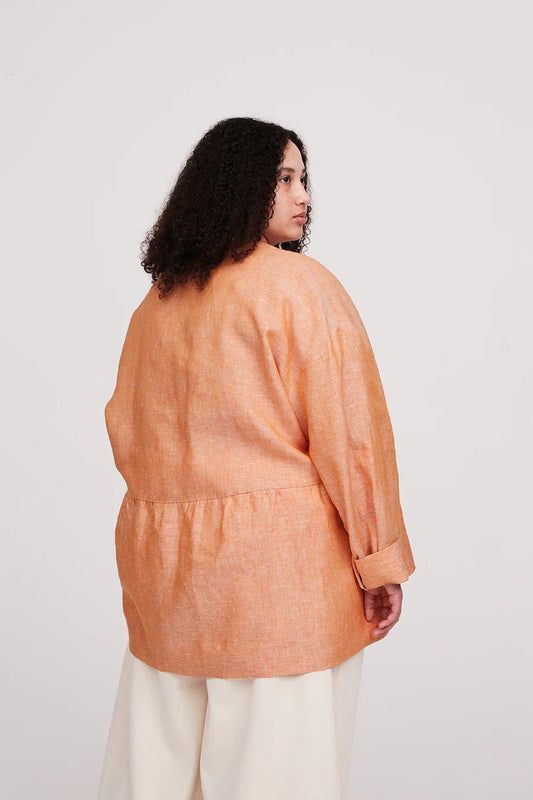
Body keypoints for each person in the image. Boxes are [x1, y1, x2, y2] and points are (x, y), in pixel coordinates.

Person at [97, 116, 416, 800]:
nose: (304, 195)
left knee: (156, 775)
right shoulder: (298, 285)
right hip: (280, 585)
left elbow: (129, 438)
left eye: (303, 178)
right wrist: (379, 560)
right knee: (278, 777)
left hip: (167, 585)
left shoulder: (157, 303)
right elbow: (351, 436)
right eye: (284, 178)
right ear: (237, 185)